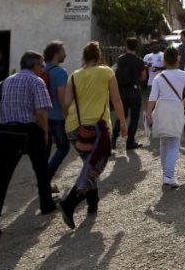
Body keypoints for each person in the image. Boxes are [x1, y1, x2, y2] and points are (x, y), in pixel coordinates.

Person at [0, 51, 55, 244]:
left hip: (6, 132)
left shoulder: (6, 81)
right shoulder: (36, 82)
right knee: (41, 169)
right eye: (42, 65)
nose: (43, 68)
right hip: (29, 130)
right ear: (36, 65)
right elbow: (41, 112)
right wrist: (45, 131)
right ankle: (46, 203)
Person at [59, 41, 127, 230]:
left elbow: (66, 103)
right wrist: (122, 122)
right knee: (96, 164)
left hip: (74, 126)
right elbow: (116, 99)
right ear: (99, 56)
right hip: (97, 127)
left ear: (84, 57)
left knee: (89, 163)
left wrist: (71, 122)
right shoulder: (106, 72)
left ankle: (93, 203)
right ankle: (70, 202)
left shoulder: (74, 75)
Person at [145, 47, 185, 188]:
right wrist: (181, 103)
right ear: (178, 59)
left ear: (164, 60)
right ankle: (168, 175)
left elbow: (152, 97)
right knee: (174, 143)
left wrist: (148, 114)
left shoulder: (159, 77)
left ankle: (166, 175)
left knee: (164, 143)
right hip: (176, 109)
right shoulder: (183, 75)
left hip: (161, 109)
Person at [42, 41, 69, 192]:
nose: (65, 53)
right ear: (56, 52)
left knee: (45, 151)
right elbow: (61, 97)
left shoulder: (42, 70)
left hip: (42, 117)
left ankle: (43, 182)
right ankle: (46, 179)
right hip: (57, 117)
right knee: (63, 147)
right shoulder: (60, 72)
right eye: (63, 50)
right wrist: (67, 116)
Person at [113, 37, 147, 150]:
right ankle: (130, 142)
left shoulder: (120, 59)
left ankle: (112, 141)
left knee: (121, 116)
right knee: (134, 117)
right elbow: (143, 77)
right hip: (134, 91)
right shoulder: (139, 60)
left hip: (122, 91)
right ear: (136, 47)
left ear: (126, 46)